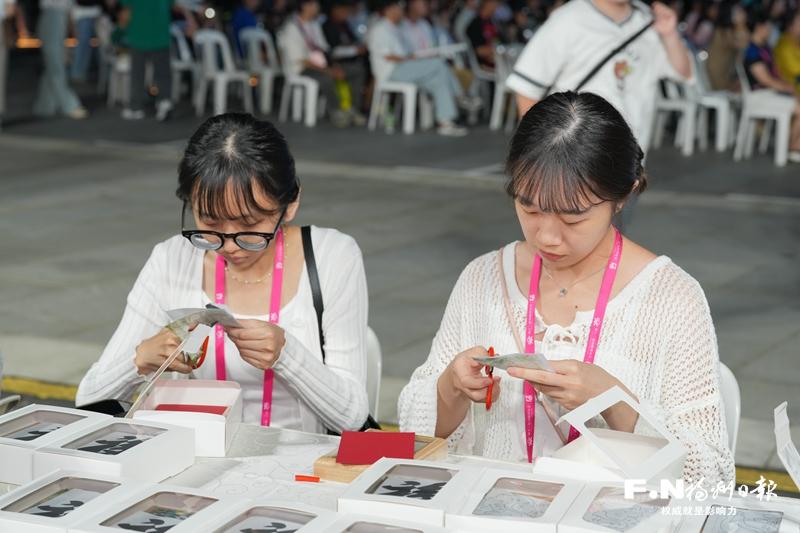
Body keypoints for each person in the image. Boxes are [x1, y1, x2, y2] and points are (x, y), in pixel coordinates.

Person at [398, 92, 735, 486]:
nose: (548, 237)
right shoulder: (483, 279)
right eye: (530, 209)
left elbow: (711, 477)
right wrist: (452, 386)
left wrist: (614, 401)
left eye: (573, 218)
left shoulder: (672, 298)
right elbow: (411, 430)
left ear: (623, 195)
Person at [76, 113, 371, 434]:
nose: (230, 246)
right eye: (211, 224)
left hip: (302, 469)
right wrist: (139, 362)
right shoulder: (172, 258)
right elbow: (89, 400)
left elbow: (353, 418)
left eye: (249, 226)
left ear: (290, 204)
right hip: (195, 462)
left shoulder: (332, 256)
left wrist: (288, 357)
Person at [506, 0, 693, 155]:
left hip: (629, 161)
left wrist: (670, 34)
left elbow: (682, 73)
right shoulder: (568, 18)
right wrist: (540, 152)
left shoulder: (648, 19)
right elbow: (526, 88)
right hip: (573, 161)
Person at [368, 0, 474, 136]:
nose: (401, 12)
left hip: (405, 68)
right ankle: (460, 96)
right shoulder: (380, 29)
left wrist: (412, 57)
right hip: (391, 71)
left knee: (439, 80)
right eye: (398, 8)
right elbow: (389, 56)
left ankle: (445, 122)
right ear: (389, 10)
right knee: (437, 63)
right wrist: (411, 58)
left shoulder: (396, 27)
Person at [279, 0, 364, 127]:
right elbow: (302, 60)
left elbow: (324, 50)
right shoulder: (292, 28)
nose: (317, 7)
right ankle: (337, 112)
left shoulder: (314, 25)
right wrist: (328, 71)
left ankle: (352, 109)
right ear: (304, 6)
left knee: (357, 70)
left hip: (321, 64)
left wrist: (335, 66)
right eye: (314, 4)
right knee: (326, 77)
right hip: (301, 68)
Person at [119, 0, 195, 121]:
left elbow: (126, 12)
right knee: (163, 74)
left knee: (137, 74)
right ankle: (164, 102)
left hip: (139, 35)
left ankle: (136, 108)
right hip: (161, 36)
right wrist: (190, 20)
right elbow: (177, 6)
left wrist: (120, 30)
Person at [744, 12, 800, 162]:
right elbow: (766, 80)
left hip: (768, 93)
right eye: (768, 27)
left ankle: (794, 145)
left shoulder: (764, 48)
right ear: (759, 27)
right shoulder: (752, 51)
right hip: (759, 96)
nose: (770, 30)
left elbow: (775, 74)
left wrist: (787, 86)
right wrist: (788, 88)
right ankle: (793, 147)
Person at [33, 0, 88, 120]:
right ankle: (69, 105)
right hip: (52, 15)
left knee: (53, 63)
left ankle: (45, 105)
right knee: (55, 63)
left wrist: (72, 25)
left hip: (58, 16)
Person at [321, 0, 369, 116]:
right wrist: (354, 50)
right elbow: (331, 51)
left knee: (362, 68)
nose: (346, 13)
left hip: (350, 61)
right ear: (334, 11)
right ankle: (339, 111)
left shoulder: (344, 25)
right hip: (334, 63)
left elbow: (354, 41)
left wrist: (358, 48)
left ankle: (354, 108)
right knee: (356, 70)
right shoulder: (327, 26)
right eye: (343, 10)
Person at [706, 3, 749, 91]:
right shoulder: (723, 32)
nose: (743, 14)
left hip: (724, 72)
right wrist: (740, 25)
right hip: (718, 76)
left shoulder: (726, 30)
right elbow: (744, 45)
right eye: (738, 12)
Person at [70, 0, 102, 82]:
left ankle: (100, 73)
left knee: (100, 47)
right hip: (82, 13)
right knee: (83, 45)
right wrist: (73, 20)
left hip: (97, 12)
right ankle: (77, 73)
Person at [465, 0, 501, 69]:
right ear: (487, 3)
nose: (496, 7)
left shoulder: (492, 21)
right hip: (487, 65)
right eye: (494, 3)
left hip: (499, 60)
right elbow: (479, 50)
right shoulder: (474, 25)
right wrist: (497, 52)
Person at [775, 10, 800, 91]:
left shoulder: (796, 40)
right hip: (794, 85)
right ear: (790, 26)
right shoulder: (784, 45)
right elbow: (796, 71)